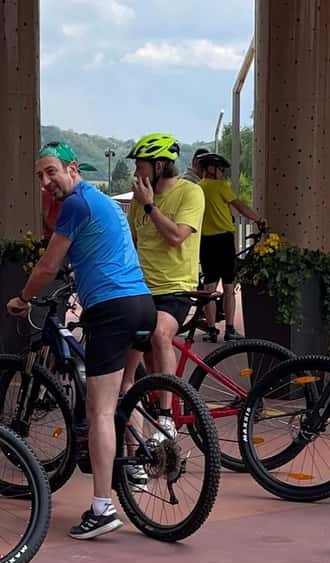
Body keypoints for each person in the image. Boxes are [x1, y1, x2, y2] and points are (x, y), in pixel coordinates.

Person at [7, 142, 156, 540]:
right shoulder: (105, 202)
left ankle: (102, 507)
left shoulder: (76, 204)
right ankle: (137, 465)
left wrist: (23, 298)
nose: (45, 181)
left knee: (100, 410)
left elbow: (47, 264)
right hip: (142, 303)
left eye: (51, 171)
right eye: (39, 175)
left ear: (73, 168)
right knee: (126, 390)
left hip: (111, 308)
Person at [121, 133, 204, 440]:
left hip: (176, 287)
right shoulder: (138, 202)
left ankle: (167, 416)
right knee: (133, 360)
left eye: (140, 166)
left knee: (160, 334)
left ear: (158, 165)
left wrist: (149, 206)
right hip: (143, 289)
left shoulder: (189, 193)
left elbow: (177, 236)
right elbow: (130, 244)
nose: (136, 174)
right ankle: (140, 450)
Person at [196, 152, 265, 341]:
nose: (223, 173)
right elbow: (240, 206)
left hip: (205, 242)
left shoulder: (197, 188)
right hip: (224, 241)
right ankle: (230, 329)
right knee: (228, 286)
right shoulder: (220, 186)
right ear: (210, 168)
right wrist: (258, 219)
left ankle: (211, 330)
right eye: (220, 169)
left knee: (209, 286)